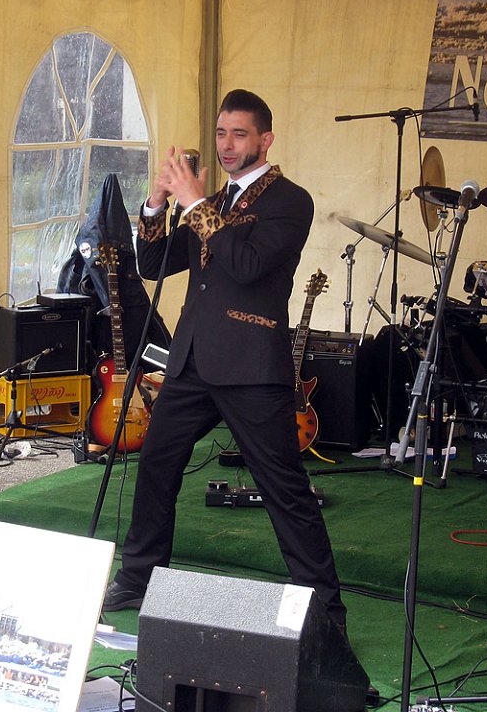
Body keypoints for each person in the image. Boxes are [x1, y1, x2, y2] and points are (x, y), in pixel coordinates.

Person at [102, 89, 347, 631]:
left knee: (283, 488)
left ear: (266, 139)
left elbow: (248, 265)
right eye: (221, 133)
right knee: (156, 463)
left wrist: (195, 204)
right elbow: (153, 264)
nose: (227, 144)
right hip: (192, 359)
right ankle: (139, 576)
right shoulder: (210, 201)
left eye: (239, 134)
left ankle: (326, 611)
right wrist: (157, 204)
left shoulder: (290, 201)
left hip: (251, 365)